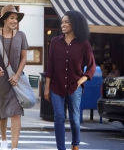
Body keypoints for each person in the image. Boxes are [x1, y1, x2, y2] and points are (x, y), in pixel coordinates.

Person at [44, 10, 96, 150]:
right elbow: (50, 67)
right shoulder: (55, 42)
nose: (63, 24)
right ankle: (61, 148)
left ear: (75, 23)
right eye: (62, 22)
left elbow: (91, 67)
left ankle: (75, 144)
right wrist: (47, 87)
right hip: (56, 86)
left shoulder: (84, 44)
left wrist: (79, 82)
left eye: (67, 22)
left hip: (75, 87)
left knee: (74, 118)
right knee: (59, 117)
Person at [0, 5, 28, 150]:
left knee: (16, 113)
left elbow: (24, 58)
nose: (14, 21)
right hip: (0, 81)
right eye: (12, 18)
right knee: (2, 113)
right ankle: (4, 140)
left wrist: (17, 75)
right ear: (4, 20)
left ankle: (14, 147)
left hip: (16, 81)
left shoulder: (21, 35)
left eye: (16, 19)